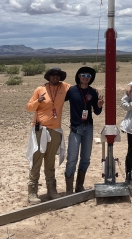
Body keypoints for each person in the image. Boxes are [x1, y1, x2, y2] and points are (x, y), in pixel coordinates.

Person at [26, 66, 70, 204]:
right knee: (37, 160)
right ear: (49, 76)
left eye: (58, 75)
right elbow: (28, 107)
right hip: (41, 130)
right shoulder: (40, 90)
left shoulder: (64, 87)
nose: (55, 77)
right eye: (53, 75)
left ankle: (52, 190)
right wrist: (37, 101)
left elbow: (80, 87)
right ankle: (32, 192)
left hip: (56, 130)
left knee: (50, 162)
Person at [64, 66, 104, 195]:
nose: (85, 78)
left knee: (86, 158)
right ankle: (69, 190)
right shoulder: (71, 91)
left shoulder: (93, 92)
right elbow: (59, 97)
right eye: (83, 75)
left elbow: (96, 112)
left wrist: (99, 105)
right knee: (72, 158)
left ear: (91, 78)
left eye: (88, 76)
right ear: (79, 76)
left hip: (88, 128)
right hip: (76, 128)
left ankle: (79, 186)